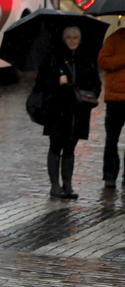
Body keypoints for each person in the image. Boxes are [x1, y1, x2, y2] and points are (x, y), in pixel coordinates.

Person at [35, 25, 100, 199]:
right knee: (56, 147)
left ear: (80, 40)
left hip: (79, 111)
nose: (72, 41)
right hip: (57, 110)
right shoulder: (54, 57)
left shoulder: (86, 59)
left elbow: (96, 83)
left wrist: (90, 97)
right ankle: (55, 186)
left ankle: (68, 185)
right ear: (64, 40)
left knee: (70, 148)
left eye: (75, 37)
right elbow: (42, 83)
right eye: (69, 37)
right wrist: (57, 81)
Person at [98, 22, 125, 188]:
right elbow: (102, 61)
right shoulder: (114, 39)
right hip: (115, 98)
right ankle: (109, 175)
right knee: (111, 139)